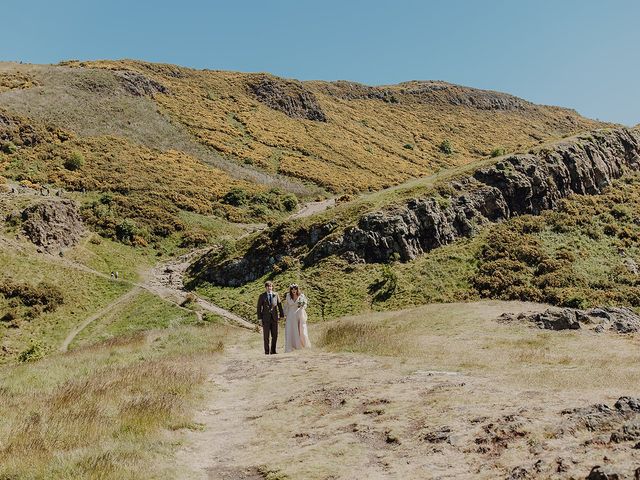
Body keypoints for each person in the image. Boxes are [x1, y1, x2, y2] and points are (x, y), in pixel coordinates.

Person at [256, 281, 284, 355]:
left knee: (275, 335)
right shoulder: (262, 296)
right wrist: (260, 319)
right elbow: (259, 308)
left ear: (272, 287)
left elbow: (279, 305)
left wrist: (281, 315)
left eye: (271, 286)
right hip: (265, 319)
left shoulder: (276, 295)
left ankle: (273, 351)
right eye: (268, 286)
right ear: (266, 288)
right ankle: (266, 351)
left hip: (274, 318)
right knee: (266, 336)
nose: (269, 288)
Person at [284, 283, 311, 352]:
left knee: (300, 330)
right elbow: (286, 306)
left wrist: (302, 306)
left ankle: (301, 345)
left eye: (295, 289)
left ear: (297, 289)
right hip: (290, 315)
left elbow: (305, 304)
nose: (294, 290)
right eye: (292, 289)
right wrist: (285, 314)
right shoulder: (288, 296)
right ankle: (290, 347)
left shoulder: (301, 296)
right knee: (291, 330)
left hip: (298, 314)